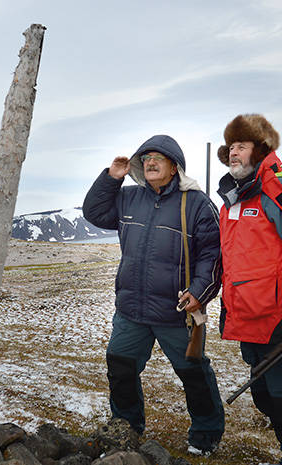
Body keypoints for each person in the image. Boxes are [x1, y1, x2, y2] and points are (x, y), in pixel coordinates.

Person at [82, 134, 225, 454]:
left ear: (175, 167)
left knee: (194, 373)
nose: (149, 162)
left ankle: (206, 434)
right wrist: (111, 178)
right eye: (145, 158)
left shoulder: (197, 203)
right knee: (120, 368)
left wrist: (200, 292)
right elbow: (93, 212)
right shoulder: (129, 197)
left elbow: (213, 255)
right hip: (131, 309)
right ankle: (126, 428)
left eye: (158, 158)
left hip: (176, 310)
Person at [216, 114, 282, 465]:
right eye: (231, 147)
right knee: (266, 396)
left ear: (261, 150)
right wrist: (226, 308)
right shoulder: (232, 200)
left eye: (242, 146)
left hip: (280, 317)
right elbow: (231, 261)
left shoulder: (280, 190)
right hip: (248, 318)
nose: (233, 153)